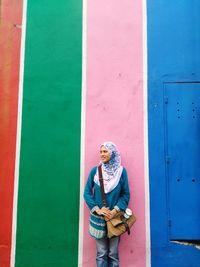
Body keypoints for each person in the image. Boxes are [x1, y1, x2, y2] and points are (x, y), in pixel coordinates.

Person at [84, 141, 130, 267]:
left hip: (115, 219)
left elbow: (125, 195)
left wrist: (115, 210)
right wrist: (98, 210)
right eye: (101, 152)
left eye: (105, 151)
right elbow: (87, 193)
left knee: (113, 253)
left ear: (113, 153)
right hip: (99, 220)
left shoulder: (121, 172)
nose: (102, 154)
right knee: (101, 253)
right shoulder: (95, 171)